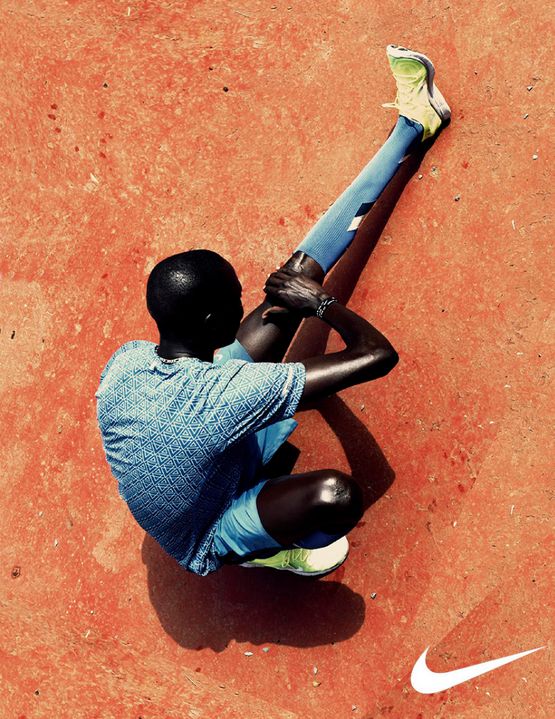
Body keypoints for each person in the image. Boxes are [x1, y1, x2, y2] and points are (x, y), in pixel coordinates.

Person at [96, 45, 450, 577]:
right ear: (216, 323)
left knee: (292, 284)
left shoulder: (125, 364)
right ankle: (260, 550)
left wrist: (301, 292)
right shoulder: (224, 395)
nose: (250, 296)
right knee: (334, 495)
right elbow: (378, 356)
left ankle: (412, 126)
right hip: (206, 529)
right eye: (237, 295)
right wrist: (321, 305)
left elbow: (203, 405)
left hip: (210, 449)